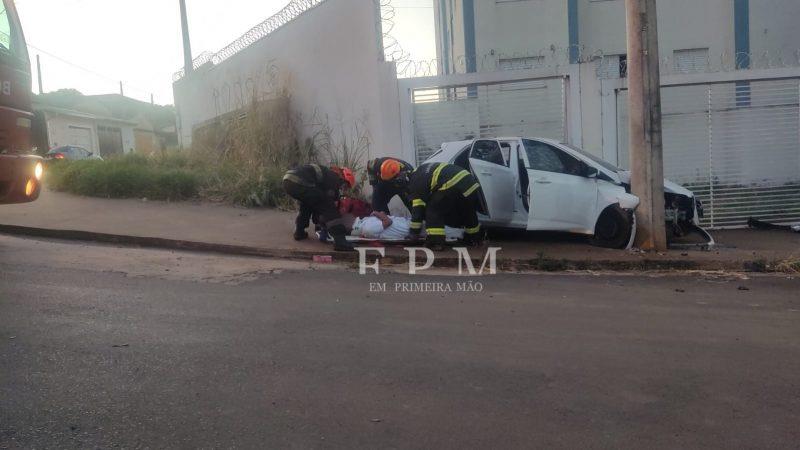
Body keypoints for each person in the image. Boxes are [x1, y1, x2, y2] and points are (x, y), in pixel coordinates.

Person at [407, 163, 483, 249]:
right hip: (471, 183)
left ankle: (435, 242)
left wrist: (413, 233)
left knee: (433, 209)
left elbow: (418, 211)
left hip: (452, 183)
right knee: (467, 211)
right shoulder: (421, 170)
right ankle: (474, 239)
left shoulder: (415, 183)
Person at [282, 164, 356, 252]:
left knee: (307, 205)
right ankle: (340, 241)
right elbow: (327, 205)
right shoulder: (334, 177)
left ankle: (299, 232)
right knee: (328, 206)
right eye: (345, 185)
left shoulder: (327, 174)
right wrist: (322, 222)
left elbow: (316, 202)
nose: (343, 189)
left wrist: (318, 220)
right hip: (299, 181)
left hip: (288, 181)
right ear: (343, 178)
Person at [352, 211, 464, 241]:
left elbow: (385, 219)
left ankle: (459, 231)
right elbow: (387, 222)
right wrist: (378, 213)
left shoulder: (366, 224)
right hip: (405, 228)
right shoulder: (367, 228)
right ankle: (461, 233)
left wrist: (380, 214)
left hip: (404, 223)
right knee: (437, 228)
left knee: (437, 225)